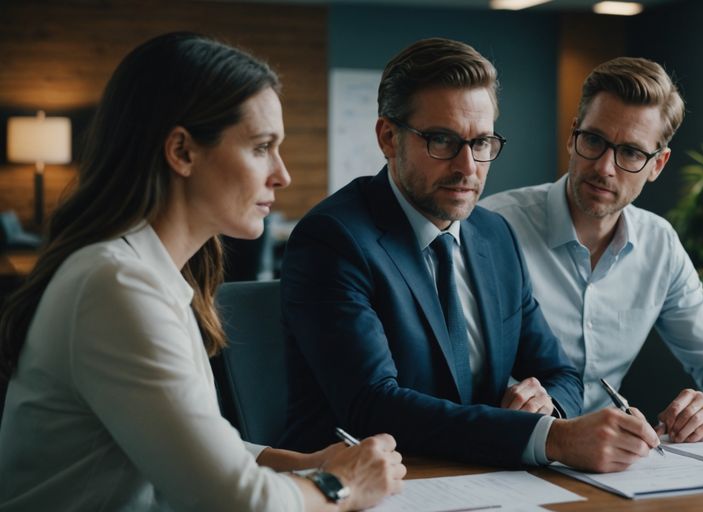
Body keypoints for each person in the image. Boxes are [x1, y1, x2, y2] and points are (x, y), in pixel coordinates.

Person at [0, 32, 404, 511]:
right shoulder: (115, 285)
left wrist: (300, 462)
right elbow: (236, 503)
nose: (282, 174)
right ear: (183, 152)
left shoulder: (147, 274)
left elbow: (198, 445)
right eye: (261, 147)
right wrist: (342, 486)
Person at [279, 38, 660, 473]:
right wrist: (550, 438)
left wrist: (546, 407)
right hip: (359, 486)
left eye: (481, 143)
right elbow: (373, 406)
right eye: (442, 141)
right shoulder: (334, 238)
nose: (468, 167)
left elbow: (561, 373)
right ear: (388, 137)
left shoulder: (493, 234)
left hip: (483, 482)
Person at [480, 57, 703, 444]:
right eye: (594, 141)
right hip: (506, 447)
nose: (605, 168)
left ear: (657, 164)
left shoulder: (659, 245)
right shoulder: (492, 227)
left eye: (630, 153)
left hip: (604, 459)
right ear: (572, 135)